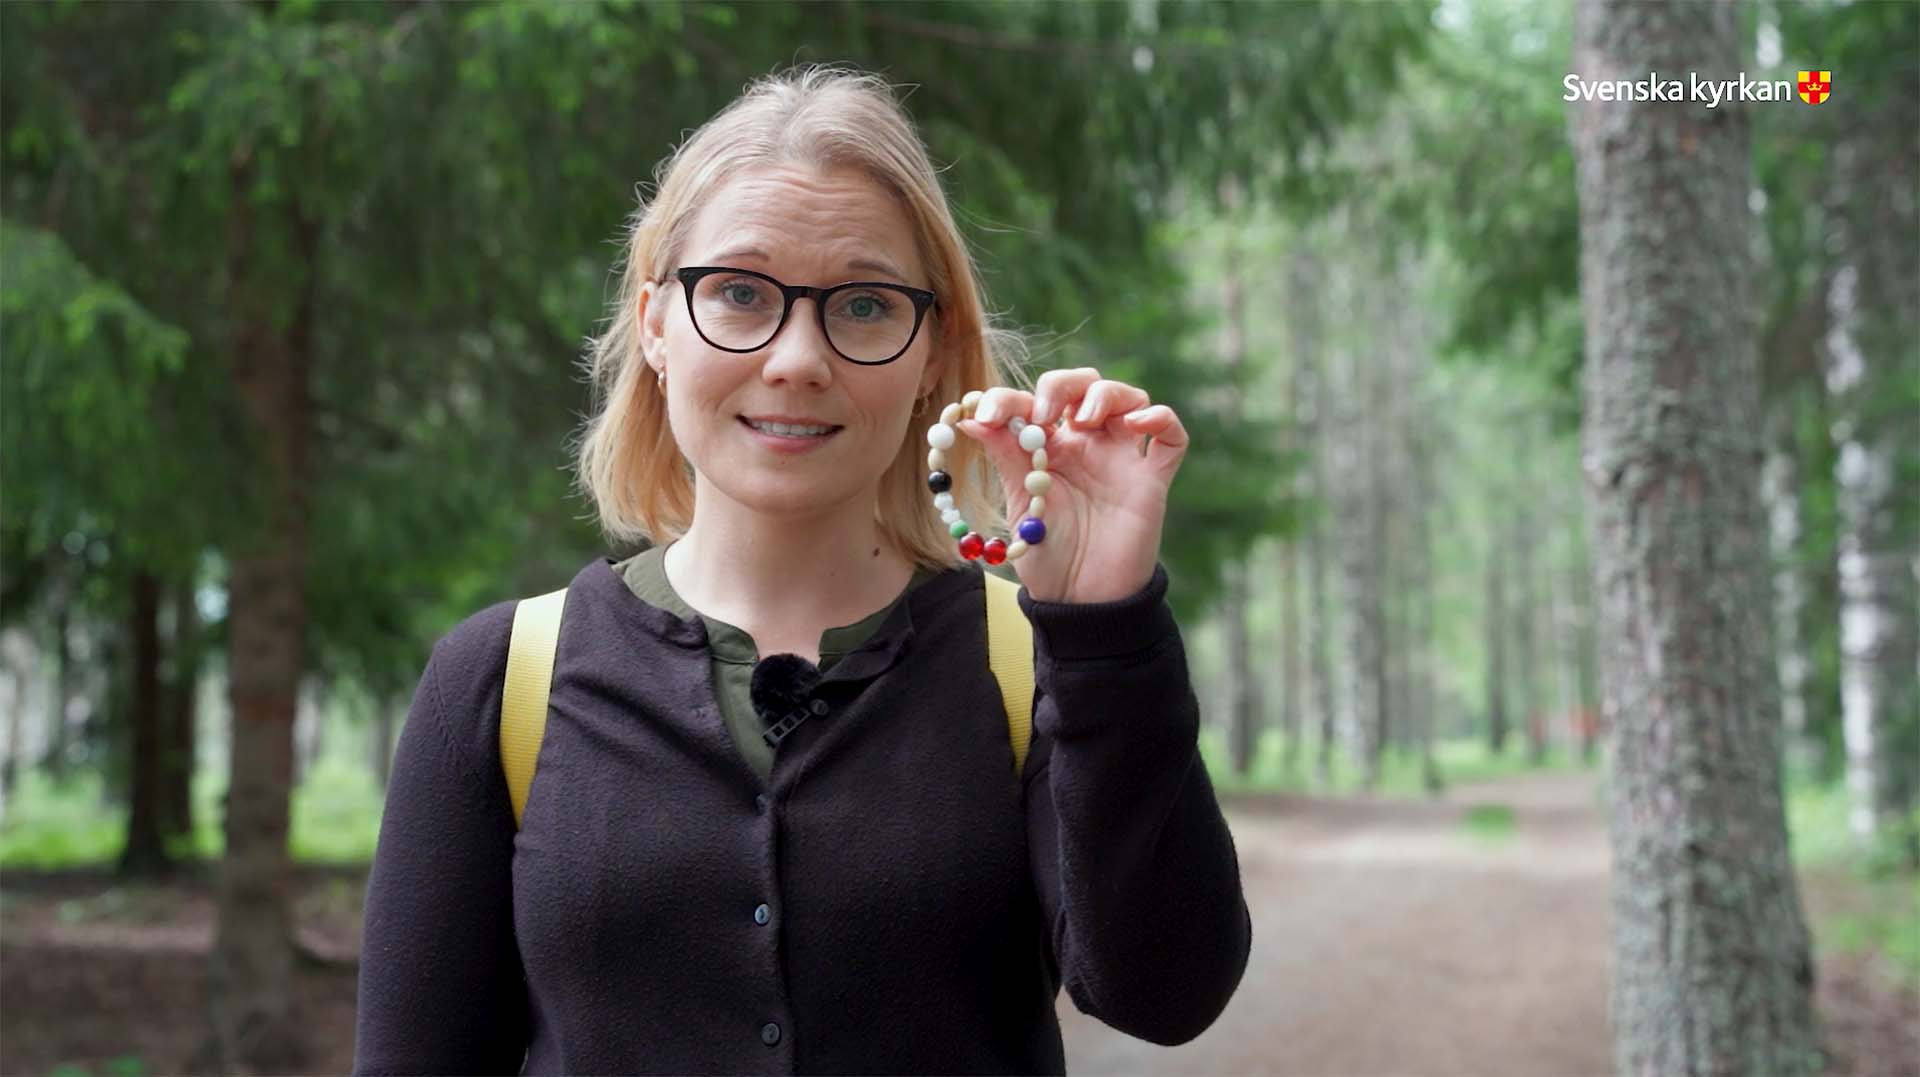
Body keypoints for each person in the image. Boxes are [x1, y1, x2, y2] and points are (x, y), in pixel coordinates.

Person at [352, 63, 1251, 1076]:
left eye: (863, 306)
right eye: (739, 293)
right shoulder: (499, 681)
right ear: (654, 323)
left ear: (930, 350)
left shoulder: (1027, 665)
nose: (797, 357)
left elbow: (1165, 993)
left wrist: (1104, 632)